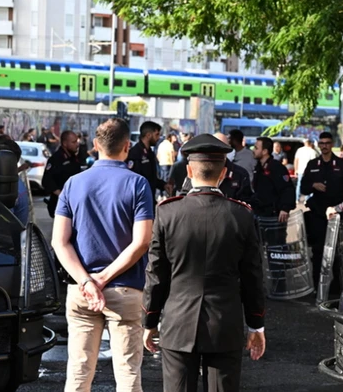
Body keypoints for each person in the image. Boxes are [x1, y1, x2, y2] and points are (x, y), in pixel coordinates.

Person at [142, 134, 266, 392]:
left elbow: (157, 273)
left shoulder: (167, 212)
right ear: (223, 174)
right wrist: (256, 324)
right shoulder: (241, 215)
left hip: (178, 323)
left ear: (189, 171)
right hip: (225, 325)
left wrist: (150, 321)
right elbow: (253, 277)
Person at [51, 118, 154, 392]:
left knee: (78, 374)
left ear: (95, 145)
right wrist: (104, 278)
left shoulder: (73, 183)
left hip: (81, 291)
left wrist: (88, 282)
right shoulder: (138, 184)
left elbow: (60, 243)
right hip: (125, 290)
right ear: (127, 146)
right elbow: (141, 242)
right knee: (128, 376)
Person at [300, 132, 343, 287]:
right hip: (317, 214)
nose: (324, 146)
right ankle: (317, 284)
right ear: (318, 145)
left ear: (332, 144)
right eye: (321, 143)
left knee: (336, 251)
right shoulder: (313, 164)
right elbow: (303, 187)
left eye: (327, 143)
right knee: (318, 250)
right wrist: (313, 185)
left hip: (335, 214)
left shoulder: (341, 165)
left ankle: (335, 288)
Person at [176, 132, 254, 204]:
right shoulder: (197, 170)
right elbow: (184, 196)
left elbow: (246, 202)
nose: (216, 151)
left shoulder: (240, 174)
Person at [251, 136, 295, 222]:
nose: (253, 150)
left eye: (256, 148)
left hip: (273, 215)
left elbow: (287, 188)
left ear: (264, 151)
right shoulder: (259, 167)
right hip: (260, 213)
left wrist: (285, 208)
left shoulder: (276, 167)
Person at [42, 131, 85, 218]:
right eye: (73, 142)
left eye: (77, 141)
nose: (77, 144)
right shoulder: (56, 159)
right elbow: (47, 181)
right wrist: (63, 196)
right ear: (65, 143)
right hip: (61, 206)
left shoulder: (73, 158)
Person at [127, 121, 166, 200]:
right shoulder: (135, 154)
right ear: (148, 135)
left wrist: (164, 185)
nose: (158, 138)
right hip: (139, 201)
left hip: (149, 199)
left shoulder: (150, 153)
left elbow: (151, 178)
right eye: (157, 134)